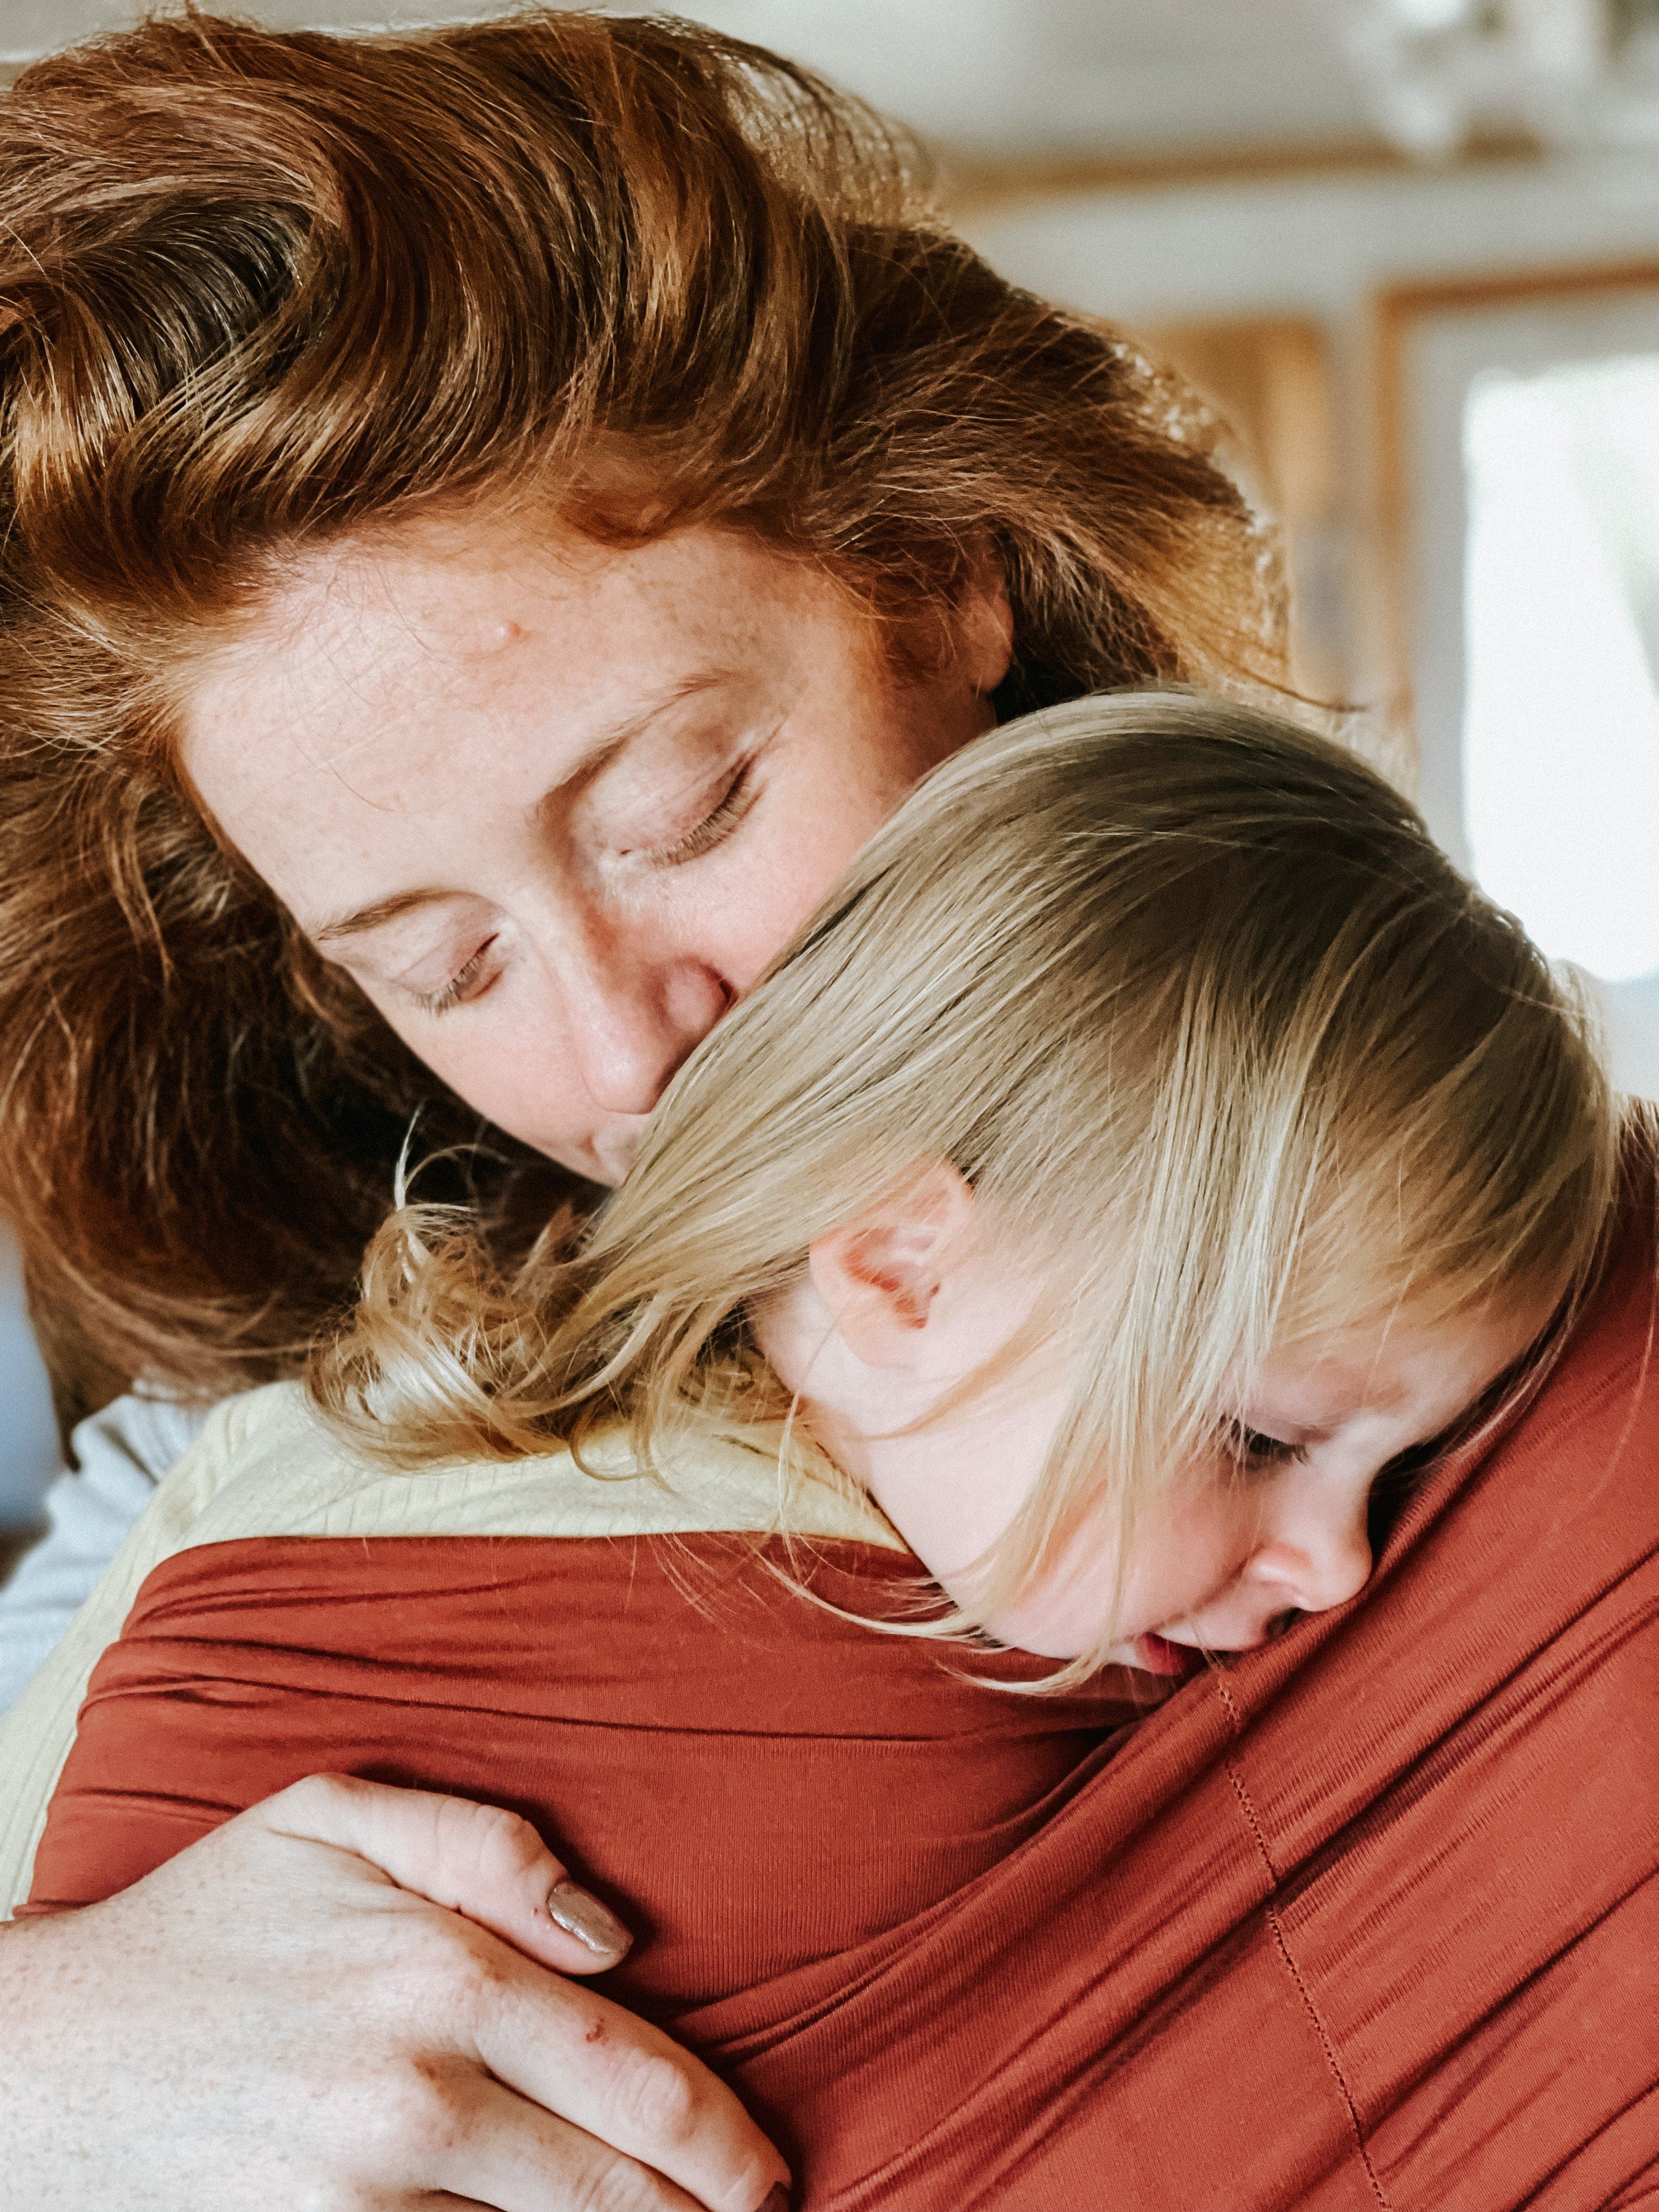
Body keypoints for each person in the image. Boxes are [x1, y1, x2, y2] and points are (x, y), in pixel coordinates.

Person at [0, 13, 1286, 2206]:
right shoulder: (209, 1480)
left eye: (681, 812)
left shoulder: (1433, 1203)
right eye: (446, 963)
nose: (624, 1058)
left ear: (941, 575)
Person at [7, 697, 1648, 2209]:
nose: (1343, 1562)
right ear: (900, 1268)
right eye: (1261, 1439)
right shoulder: (539, 1595)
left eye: (695, 810)